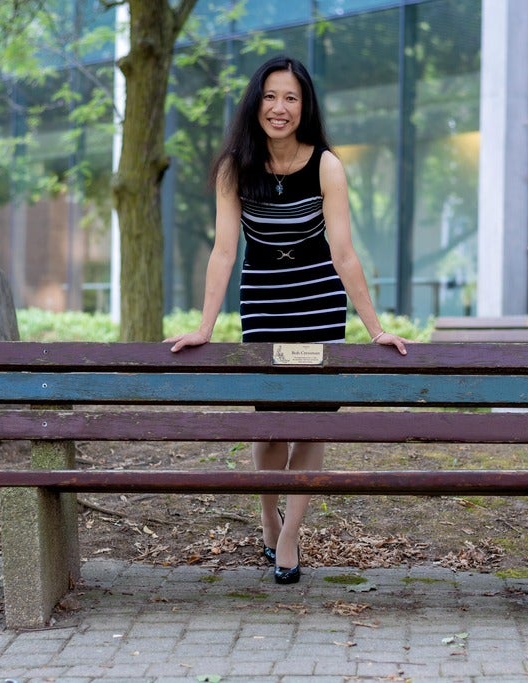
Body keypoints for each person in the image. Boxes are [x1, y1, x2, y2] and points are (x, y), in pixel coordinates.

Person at [165, 55, 408, 585]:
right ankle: (267, 514)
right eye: (271, 96)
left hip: (318, 300)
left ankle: (291, 533)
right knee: (270, 419)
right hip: (265, 301)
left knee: (312, 421)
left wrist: (375, 328)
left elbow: (343, 252)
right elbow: (224, 252)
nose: (280, 108)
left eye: (291, 98)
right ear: (256, 103)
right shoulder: (234, 167)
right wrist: (205, 327)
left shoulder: (326, 165)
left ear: (305, 106)